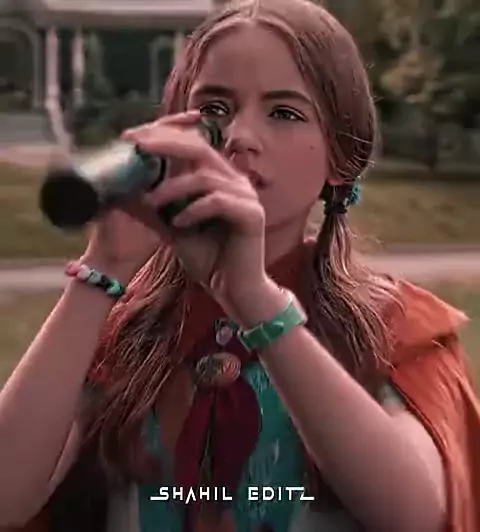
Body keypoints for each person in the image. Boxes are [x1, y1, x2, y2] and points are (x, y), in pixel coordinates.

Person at [0, 1, 479, 531]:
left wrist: (254, 299)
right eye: (214, 110)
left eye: (284, 113)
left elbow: (416, 517)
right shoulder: (124, 331)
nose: (239, 136)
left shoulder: (397, 328)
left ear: (341, 158)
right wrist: (104, 265)